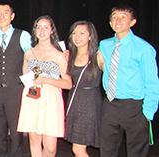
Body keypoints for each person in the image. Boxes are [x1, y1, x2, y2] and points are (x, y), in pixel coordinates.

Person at [97, 5, 159, 157]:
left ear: (132, 22)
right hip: (110, 104)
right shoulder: (104, 45)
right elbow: (103, 67)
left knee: (136, 153)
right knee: (107, 151)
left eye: (123, 17)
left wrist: (147, 113)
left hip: (134, 107)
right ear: (110, 23)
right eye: (114, 17)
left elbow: (152, 82)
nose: (118, 20)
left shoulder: (144, 49)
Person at [0, 2, 32, 157]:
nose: (2, 16)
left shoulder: (23, 35)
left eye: (6, 12)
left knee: (16, 130)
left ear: (12, 16)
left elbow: (34, 58)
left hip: (16, 89)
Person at [17, 15, 72, 157]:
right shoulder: (29, 53)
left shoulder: (59, 55)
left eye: (45, 27)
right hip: (32, 98)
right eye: (38, 27)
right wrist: (32, 82)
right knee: (34, 140)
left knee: (50, 147)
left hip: (51, 100)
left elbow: (68, 83)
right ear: (34, 31)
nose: (41, 30)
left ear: (51, 31)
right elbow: (25, 76)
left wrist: (46, 80)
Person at [64, 21, 102, 157]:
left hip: (89, 104)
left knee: (78, 149)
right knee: (77, 148)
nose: (77, 37)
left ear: (90, 36)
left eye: (82, 33)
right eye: (74, 33)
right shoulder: (70, 56)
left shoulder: (98, 56)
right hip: (74, 102)